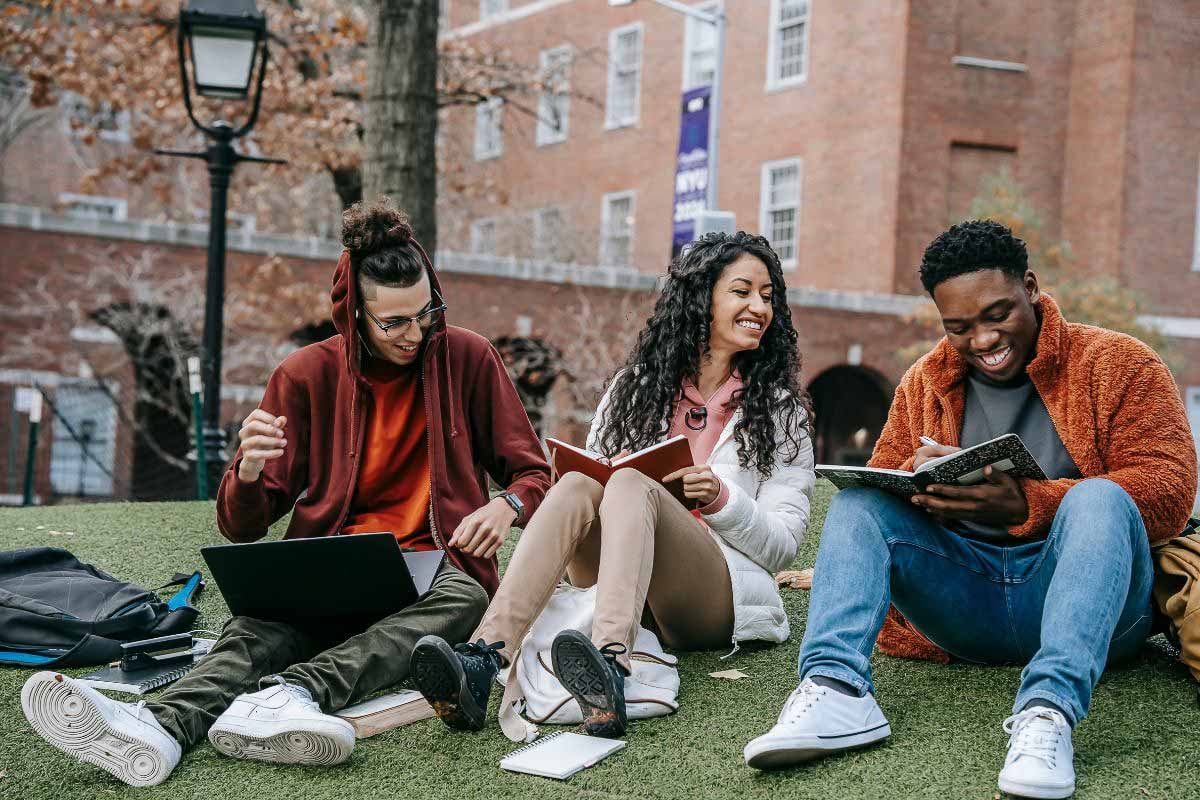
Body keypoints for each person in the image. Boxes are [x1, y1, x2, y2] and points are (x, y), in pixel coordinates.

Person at [19, 198, 552, 787]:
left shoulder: (470, 359)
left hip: (435, 562)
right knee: (258, 627)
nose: (416, 333)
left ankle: (293, 694)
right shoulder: (303, 375)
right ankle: (158, 727)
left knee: (469, 600)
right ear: (354, 315)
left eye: (426, 313)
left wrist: (507, 503)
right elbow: (242, 526)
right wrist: (247, 471)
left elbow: (535, 474)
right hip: (331, 559)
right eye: (394, 322)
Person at [744, 220, 1198, 799]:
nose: (982, 340)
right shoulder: (925, 381)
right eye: (958, 327)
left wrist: (1029, 503)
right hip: (966, 606)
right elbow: (885, 489)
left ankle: (1047, 713)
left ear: (1030, 287)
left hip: (1094, 611)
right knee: (860, 501)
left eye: (997, 315)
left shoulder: (1120, 364)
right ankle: (835, 690)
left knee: (1101, 497)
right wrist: (921, 486)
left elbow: (1170, 490)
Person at [409, 231, 816, 739]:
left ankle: (610, 666)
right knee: (582, 482)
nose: (759, 305)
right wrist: (608, 472)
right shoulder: (634, 390)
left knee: (630, 485)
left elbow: (781, 546)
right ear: (701, 297)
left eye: (767, 295)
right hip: (616, 580)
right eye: (742, 291)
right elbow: (595, 489)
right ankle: (483, 658)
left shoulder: (780, 411)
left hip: (711, 596)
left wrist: (720, 499)